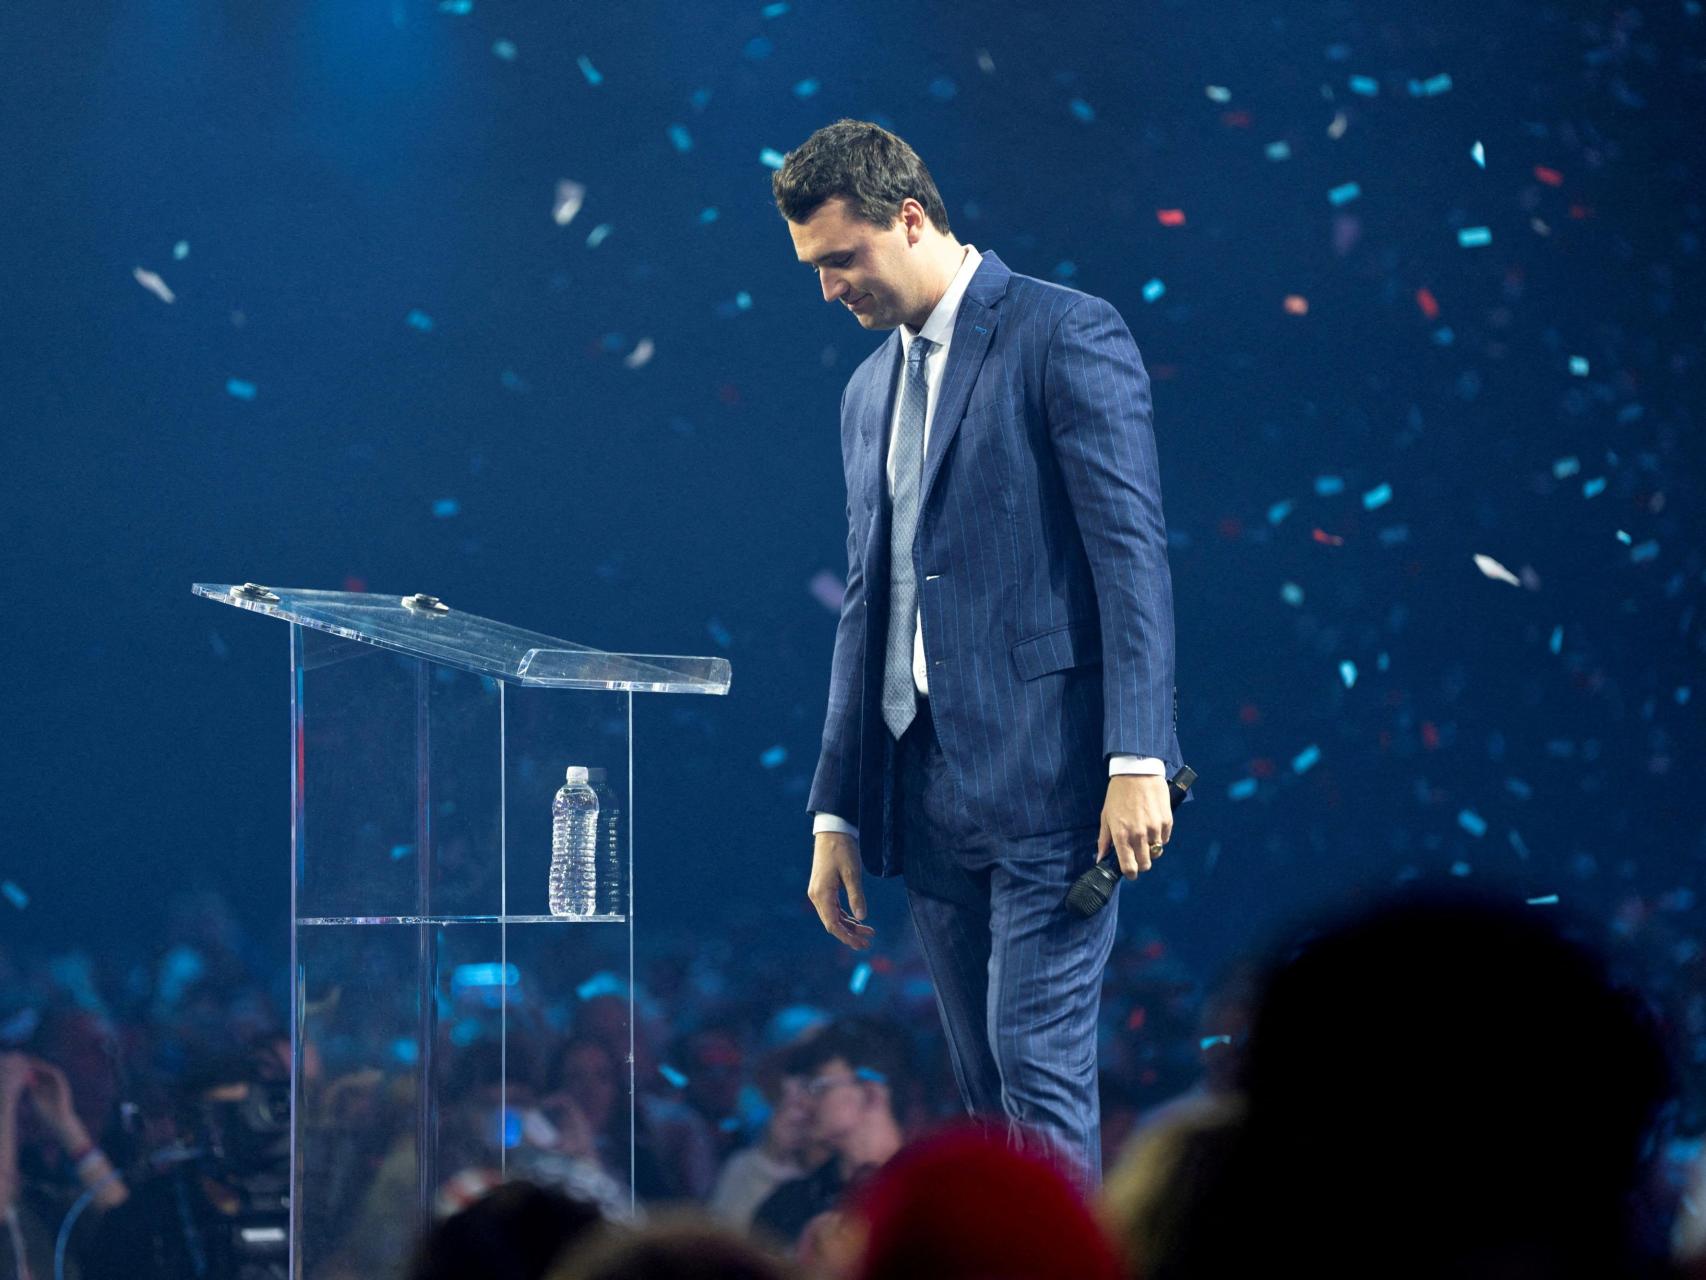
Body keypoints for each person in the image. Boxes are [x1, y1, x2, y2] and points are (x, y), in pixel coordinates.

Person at [775, 118, 1189, 1189]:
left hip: (1055, 780)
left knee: (1035, 1074)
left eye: (841, 259)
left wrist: (1138, 754)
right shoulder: (864, 393)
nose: (827, 289)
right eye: (813, 266)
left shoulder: (1062, 332)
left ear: (909, 218)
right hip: (924, 789)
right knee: (984, 1091)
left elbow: (1129, 557)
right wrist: (834, 813)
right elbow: (867, 603)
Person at [749, 1022, 904, 1250]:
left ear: (870, 1092)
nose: (805, 1102)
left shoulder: (921, 1188)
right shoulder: (790, 1205)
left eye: (820, 1087)